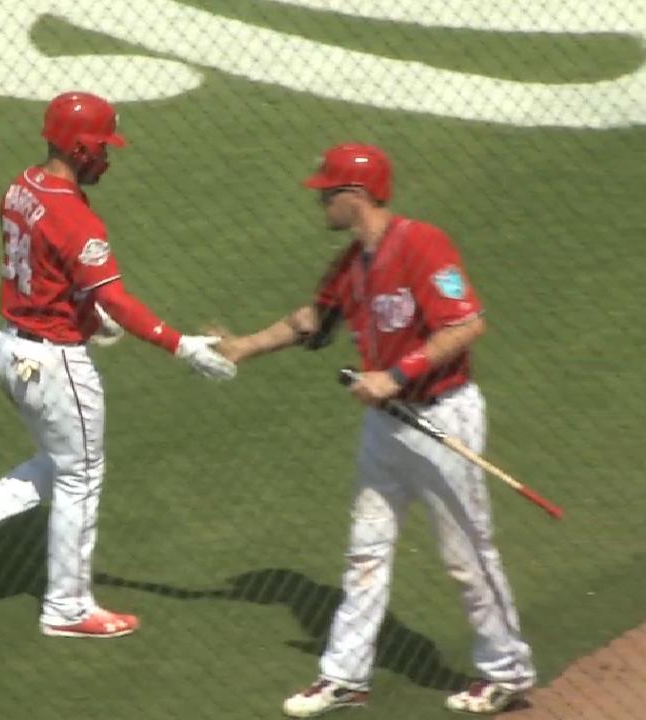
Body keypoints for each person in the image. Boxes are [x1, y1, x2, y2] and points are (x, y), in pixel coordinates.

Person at [216, 144, 535, 715]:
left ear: (355, 196)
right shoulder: (350, 264)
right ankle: (346, 675)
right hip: (385, 427)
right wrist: (245, 347)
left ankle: (507, 670)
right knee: (365, 551)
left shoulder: (421, 244)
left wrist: (394, 374)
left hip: (443, 417)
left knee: (466, 555)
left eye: (327, 192)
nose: (320, 201)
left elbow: (466, 325)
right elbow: (312, 322)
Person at [0, 91, 236, 639]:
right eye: (103, 148)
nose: (108, 159)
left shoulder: (20, 188)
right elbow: (115, 299)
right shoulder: (77, 219)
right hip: (54, 362)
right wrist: (179, 344)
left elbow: (48, 274)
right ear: (81, 146)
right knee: (82, 475)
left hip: (9, 348)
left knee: (60, 461)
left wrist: (86, 314)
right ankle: (67, 607)